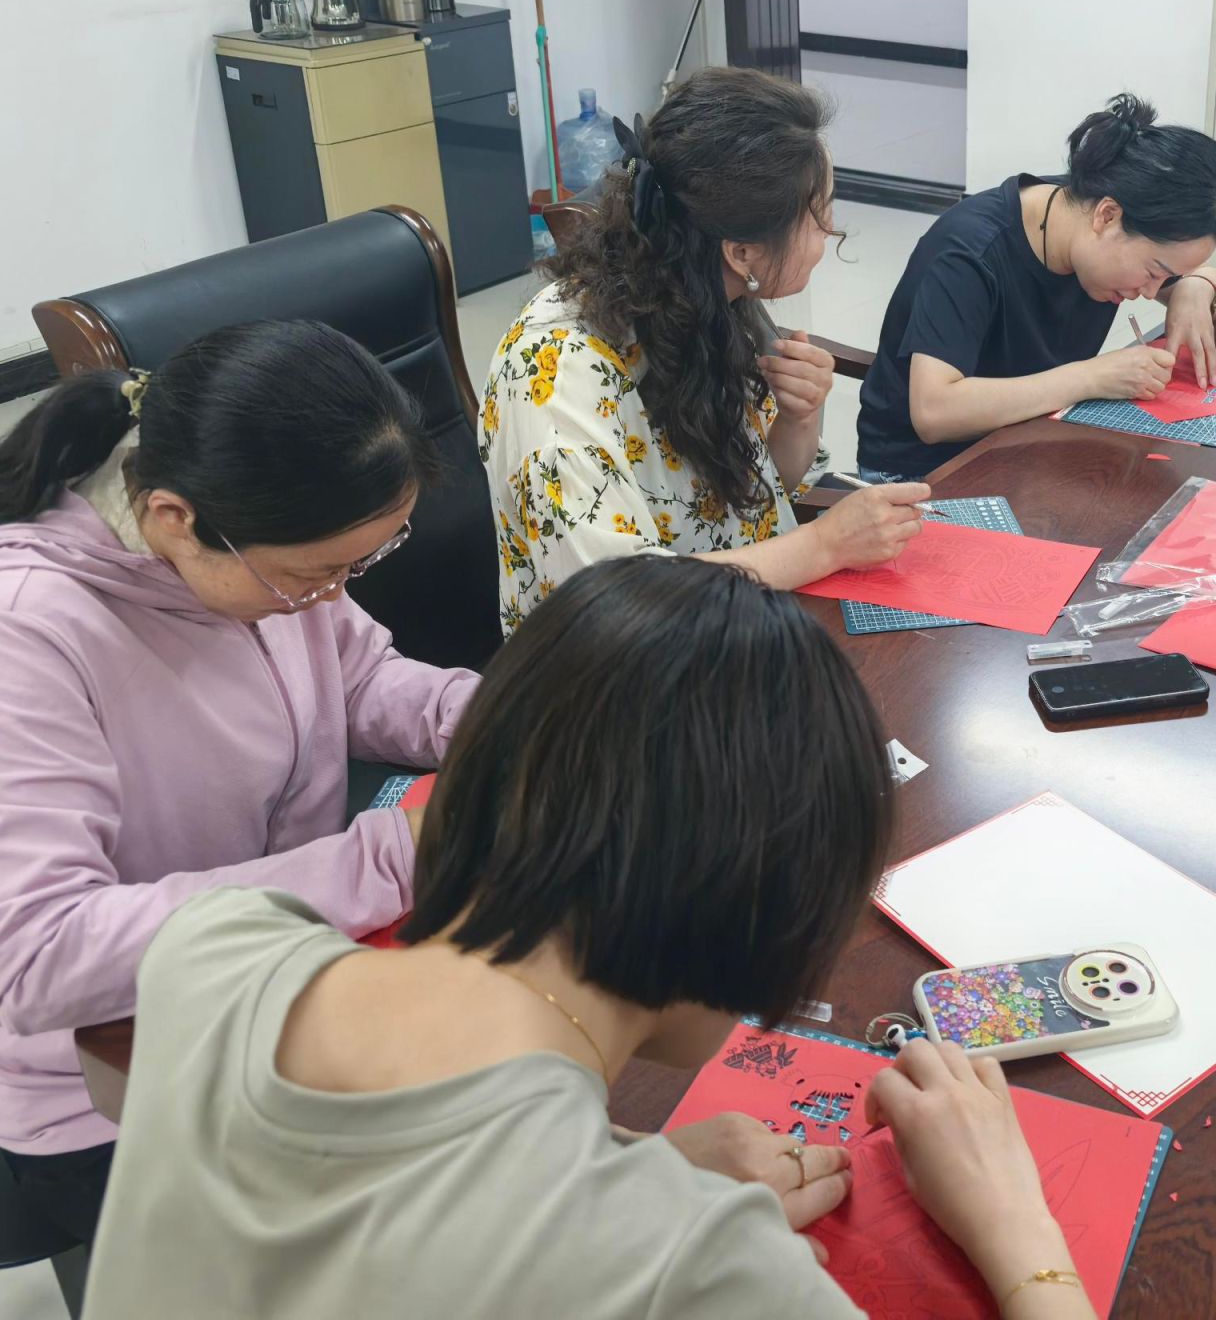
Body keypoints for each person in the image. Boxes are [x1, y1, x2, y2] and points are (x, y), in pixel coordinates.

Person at [83, 558, 1097, 1320]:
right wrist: (1016, 1224)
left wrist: (625, 1165)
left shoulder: (216, 950)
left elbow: (374, 1186)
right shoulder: (695, 1265)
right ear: (762, 910)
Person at [0, 320, 478, 1260]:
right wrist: (388, 856)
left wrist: (504, 722)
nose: (331, 597)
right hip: (117, 1089)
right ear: (175, 518)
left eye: (357, 567)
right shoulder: (19, 634)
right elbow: (36, 957)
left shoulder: (255, 548)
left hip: (276, 982)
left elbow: (358, 679)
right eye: (316, 575)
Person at [480, 66, 931, 635]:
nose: (829, 233)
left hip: (737, 625)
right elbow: (616, 603)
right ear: (741, 251)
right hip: (621, 666)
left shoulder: (711, 299)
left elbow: (754, 496)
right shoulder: (557, 374)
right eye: (818, 216)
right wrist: (823, 545)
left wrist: (797, 418)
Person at [856, 93, 1216, 480]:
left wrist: (1197, 287)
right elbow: (934, 412)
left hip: (1026, 450)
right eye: (1154, 271)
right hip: (923, 476)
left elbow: (1204, 276)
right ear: (1107, 216)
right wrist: (1092, 377)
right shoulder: (970, 252)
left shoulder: (1089, 215)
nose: (1153, 292)